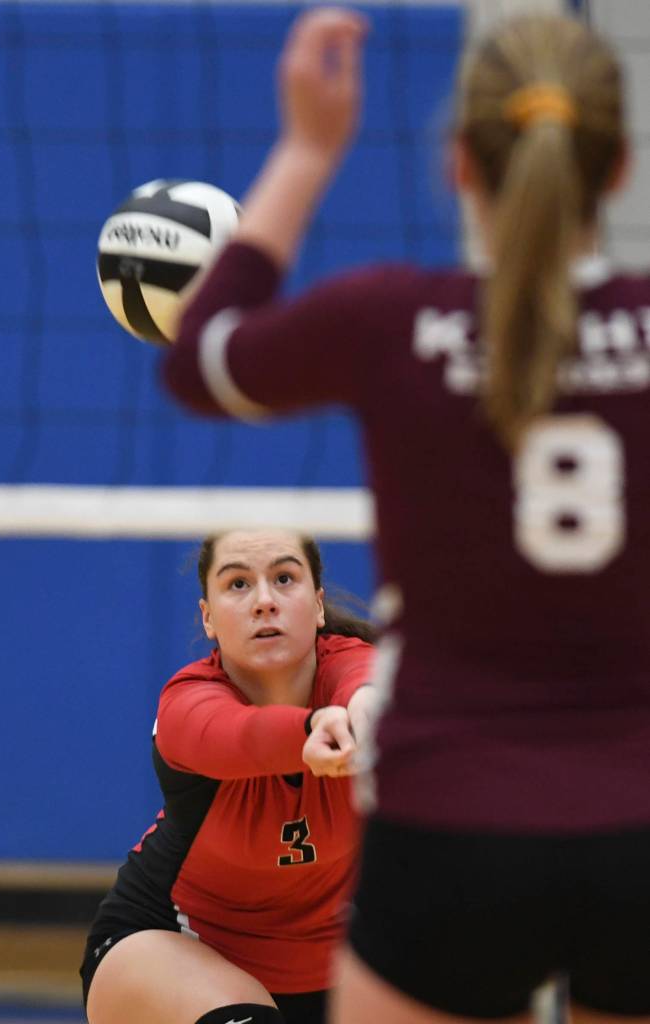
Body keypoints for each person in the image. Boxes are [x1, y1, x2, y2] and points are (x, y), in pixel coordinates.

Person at [161, 8, 650, 1024]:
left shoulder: (391, 318)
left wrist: (307, 149)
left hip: (452, 827)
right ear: (618, 168)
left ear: (460, 164)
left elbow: (199, 360)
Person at [81, 527, 377, 1024]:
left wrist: (371, 708)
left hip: (331, 975)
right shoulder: (188, 703)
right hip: (171, 945)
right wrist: (310, 729)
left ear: (318, 606)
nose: (264, 601)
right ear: (208, 618)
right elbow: (238, 735)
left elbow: (366, 682)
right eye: (238, 584)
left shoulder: (356, 667)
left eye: (285, 578)